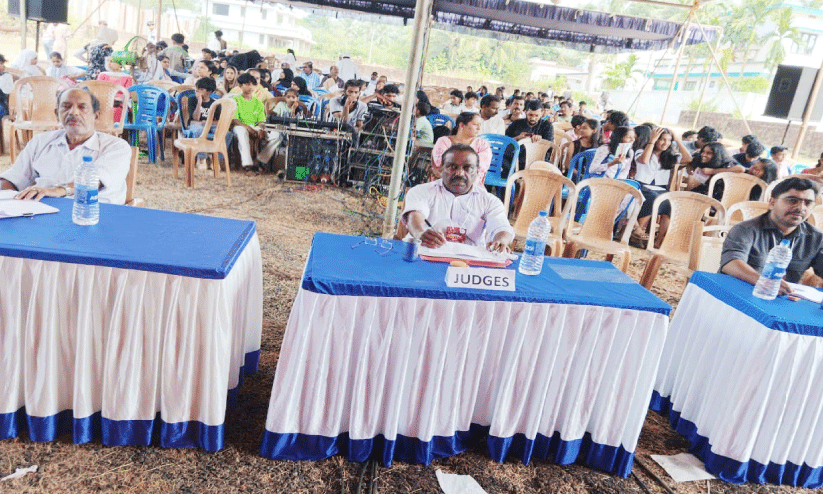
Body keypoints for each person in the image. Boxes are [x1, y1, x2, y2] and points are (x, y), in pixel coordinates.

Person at [0, 88, 130, 204]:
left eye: (82, 107)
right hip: (42, 212)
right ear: (57, 114)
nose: (73, 112)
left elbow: (94, 182)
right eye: (66, 107)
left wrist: (55, 191)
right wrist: (8, 201)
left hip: (93, 213)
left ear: (96, 116)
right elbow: (13, 177)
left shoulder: (116, 147)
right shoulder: (40, 142)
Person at [402, 144, 514, 252]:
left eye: (468, 168)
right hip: (425, 251)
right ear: (441, 169)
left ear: (477, 171)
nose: (460, 173)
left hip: (468, 261)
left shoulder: (489, 201)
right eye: (452, 167)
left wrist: (500, 241)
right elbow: (415, 216)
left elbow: (501, 227)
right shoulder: (421, 191)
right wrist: (420, 233)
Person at [721, 177, 823, 293]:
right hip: (737, 293)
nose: (800, 208)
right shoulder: (746, 229)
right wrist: (766, 282)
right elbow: (731, 263)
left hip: (782, 302)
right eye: (792, 200)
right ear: (772, 203)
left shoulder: (816, 238)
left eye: (808, 203)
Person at [631, 127, 690, 247]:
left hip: (661, 188)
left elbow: (688, 159)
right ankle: (637, 234)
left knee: (671, 202)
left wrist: (678, 140)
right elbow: (644, 160)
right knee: (653, 198)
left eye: (668, 140)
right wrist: (651, 141)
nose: (665, 143)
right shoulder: (641, 151)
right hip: (642, 186)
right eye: (662, 139)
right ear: (655, 139)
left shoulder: (670, 156)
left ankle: (660, 241)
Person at [231, 72, 278, 174]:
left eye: (253, 84)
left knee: (276, 135)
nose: (251, 87)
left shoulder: (257, 102)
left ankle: (259, 161)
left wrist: (261, 129)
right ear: (240, 86)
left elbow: (261, 120)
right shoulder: (235, 100)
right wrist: (248, 128)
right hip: (240, 126)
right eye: (247, 84)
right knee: (242, 132)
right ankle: (247, 164)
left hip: (255, 126)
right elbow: (235, 119)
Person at [430, 112, 492, 185]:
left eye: (480, 125)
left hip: (472, 184)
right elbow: (440, 164)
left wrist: (455, 166)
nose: (479, 128)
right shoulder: (443, 141)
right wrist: (466, 166)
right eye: (475, 125)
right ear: (462, 125)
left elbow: (480, 167)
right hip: (444, 183)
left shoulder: (482, 145)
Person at [0, 55, 12, 119]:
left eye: (1, 63)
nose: (0, 66)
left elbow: (8, 90)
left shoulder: (6, 76)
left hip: (1, 103)